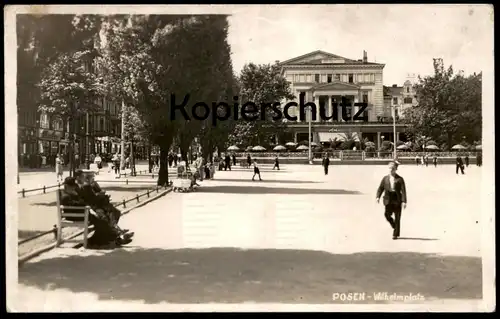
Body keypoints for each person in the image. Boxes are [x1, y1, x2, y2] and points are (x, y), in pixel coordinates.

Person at [62, 176, 133, 248]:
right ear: (67, 186)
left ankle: (113, 239)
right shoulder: (66, 196)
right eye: (72, 187)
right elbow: (77, 205)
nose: (74, 188)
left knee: (104, 220)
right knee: (103, 221)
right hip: (77, 216)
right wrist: (84, 204)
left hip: (82, 214)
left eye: (74, 187)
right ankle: (101, 241)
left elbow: (80, 204)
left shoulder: (70, 194)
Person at [376, 161, 407, 240]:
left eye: (392, 169)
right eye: (390, 168)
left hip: (397, 198)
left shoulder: (400, 179)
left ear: (396, 169)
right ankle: (393, 224)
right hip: (388, 198)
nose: (391, 170)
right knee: (387, 214)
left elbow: (403, 191)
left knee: (397, 217)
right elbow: (380, 188)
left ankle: (395, 234)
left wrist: (404, 201)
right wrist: (377, 197)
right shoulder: (385, 178)